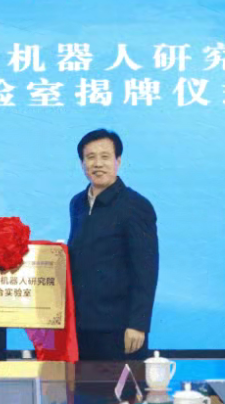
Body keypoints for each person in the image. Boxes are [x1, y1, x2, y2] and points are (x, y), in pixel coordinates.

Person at [68, 128, 159, 360]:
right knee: (81, 384)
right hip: (80, 326)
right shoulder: (77, 203)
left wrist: (138, 324)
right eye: (90, 157)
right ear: (82, 163)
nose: (98, 163)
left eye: (105, 156)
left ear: (118, 161)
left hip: (119, 329)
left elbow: (146, 270)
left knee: (120, 385)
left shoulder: (136, 205)